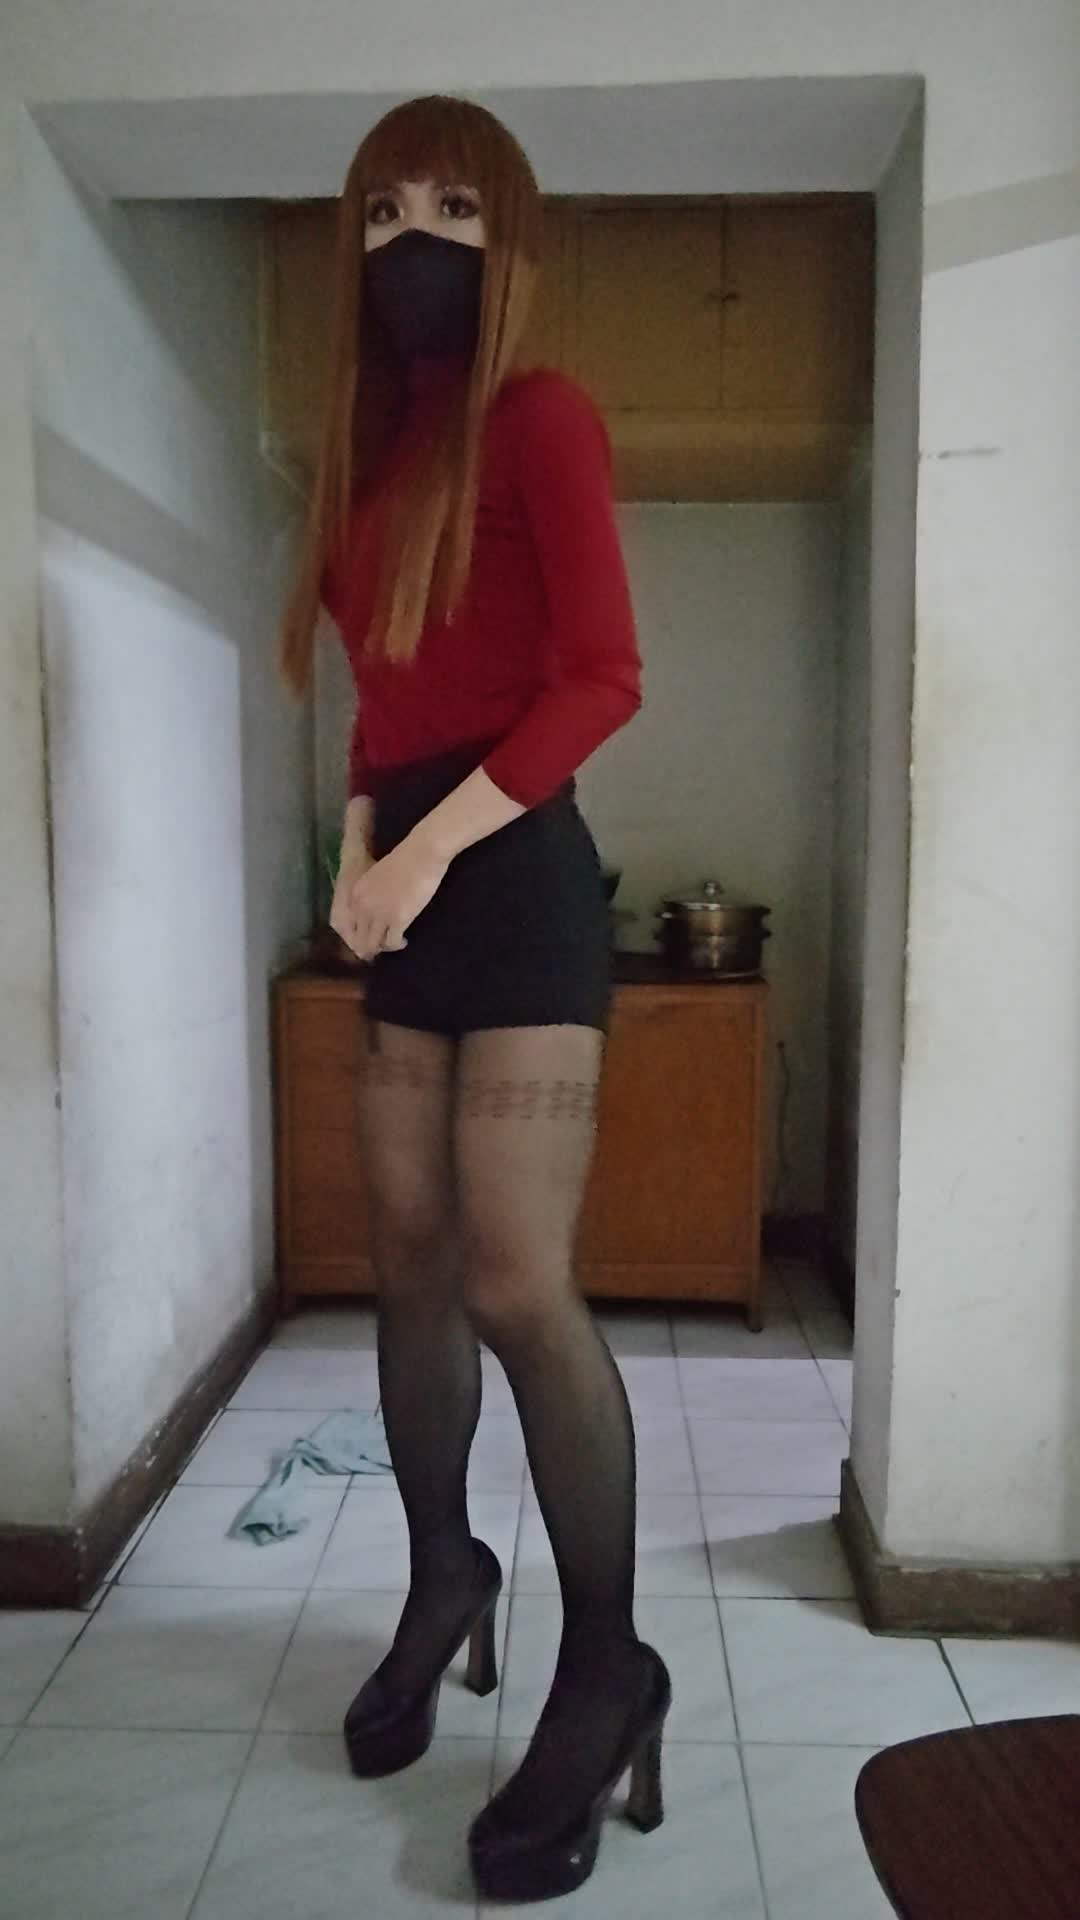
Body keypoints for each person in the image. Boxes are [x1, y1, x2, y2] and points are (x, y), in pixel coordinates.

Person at [278, 93, 672, 1905]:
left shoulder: (542, 414)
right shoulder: (366, 464)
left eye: (450, 205)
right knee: (413, 1262)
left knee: (518, 1278)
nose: (410, 239)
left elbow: (603, 676)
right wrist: (357, 857)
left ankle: (608, 1667)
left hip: (512, 883)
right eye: (379, 212)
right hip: (409, 885)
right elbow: (378, 706)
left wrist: (427, 856)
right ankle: (447, 1575)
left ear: (509, 237)